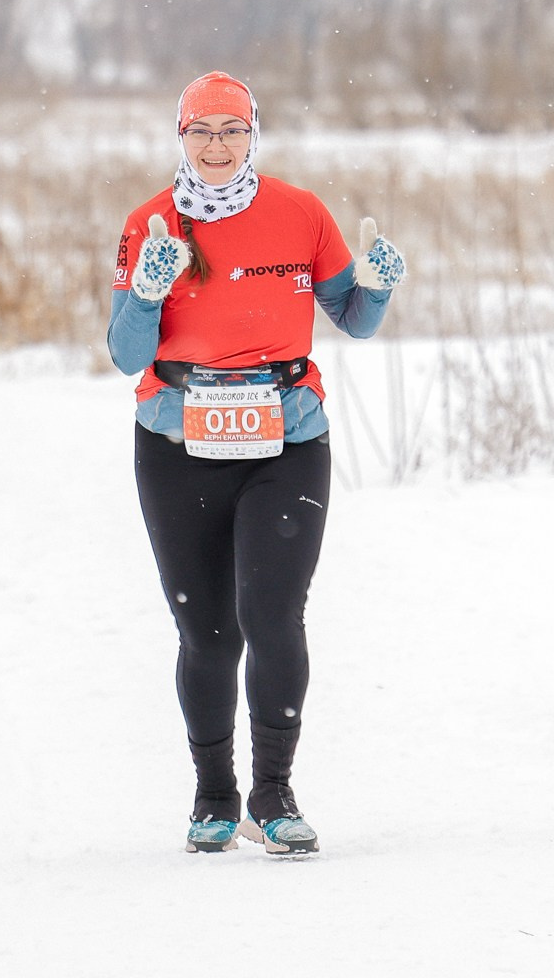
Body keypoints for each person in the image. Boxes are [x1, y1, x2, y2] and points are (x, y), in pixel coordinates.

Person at [107, 71, 406, 856]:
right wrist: (146, 292)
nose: (216, 145)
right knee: (206, 632)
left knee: (272, 618)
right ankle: (214, 796)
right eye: (201, 130)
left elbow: (353, 319)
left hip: (287, 436)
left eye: (231, 131)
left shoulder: (301, 213)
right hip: (176, 440)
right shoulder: (153, 223)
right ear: (181, 136)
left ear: (253, 135)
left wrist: (372, 289)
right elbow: (125, 354)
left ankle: (272, 795)